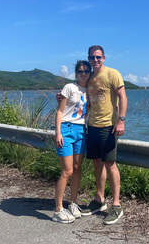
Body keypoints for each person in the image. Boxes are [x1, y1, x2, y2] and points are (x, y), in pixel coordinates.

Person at [80, 45, 127, 225]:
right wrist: (62, 97)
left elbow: (122, 97)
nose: (95, 60)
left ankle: (116, 205)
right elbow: (81, 95)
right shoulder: (89, 77)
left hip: (109, 126)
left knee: (110, 164)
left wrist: (121, 120)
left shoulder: (113, 74)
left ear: (104, 58)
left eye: (98, 57)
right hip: (92, 126)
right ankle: (99, 200)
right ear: (89, 59)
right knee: (97, 162)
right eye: (92, 58)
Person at [52, 60, 91, 224]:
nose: (83, 74)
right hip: (66, 130)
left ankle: (73, 203)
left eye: (86, 71)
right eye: (80, 71)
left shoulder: (90, 90)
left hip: (81, 131)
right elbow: (60, 111)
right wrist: (58, 132)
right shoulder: (69, 87)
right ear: (76, 73)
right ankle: (58, 209)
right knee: (66, 171)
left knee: (76, 169)